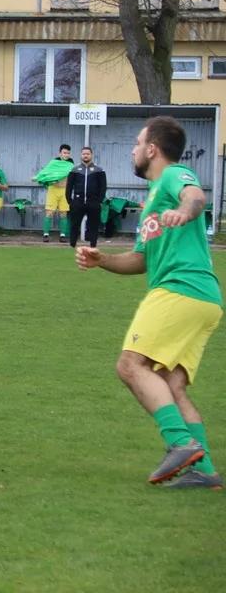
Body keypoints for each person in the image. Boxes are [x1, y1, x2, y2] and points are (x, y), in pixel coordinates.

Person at [76, 116, 222, 489]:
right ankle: (203, 471)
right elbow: (141, 260)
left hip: (181, 288)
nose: (134, 149)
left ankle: (180, 443)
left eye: (137, 143)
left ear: (152, 149)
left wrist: (185, 212)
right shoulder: (153, 198)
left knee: (130, 365)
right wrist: (102, 259)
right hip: (202, 298)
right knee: (171, 385)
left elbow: (196, 197)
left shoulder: (174, 176)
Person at [66, 146, 107, 248]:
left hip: (93, 202)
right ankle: (72, 245)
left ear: (91, 155)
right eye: (84, 154)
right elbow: (69, 186)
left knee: (93, 225)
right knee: (75, 225)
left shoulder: (99, 170)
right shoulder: (74, 170)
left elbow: (103, 186)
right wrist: (70, 201)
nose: (86, 155)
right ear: (81, 155)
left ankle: (93, 246)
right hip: (78, 202)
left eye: (88, 154)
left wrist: (100, 201)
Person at [35, 144, 73, 243]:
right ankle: (46, 234)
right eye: (64, 153)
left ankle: (62, 235)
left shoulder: (70, 163)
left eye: (68, 153)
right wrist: (39, 177)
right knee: (49, 212)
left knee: (63, 213)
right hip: (54, 189)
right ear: (60, 152)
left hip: (64, 190)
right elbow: (46, 172)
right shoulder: (54, 162)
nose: (66, 155)